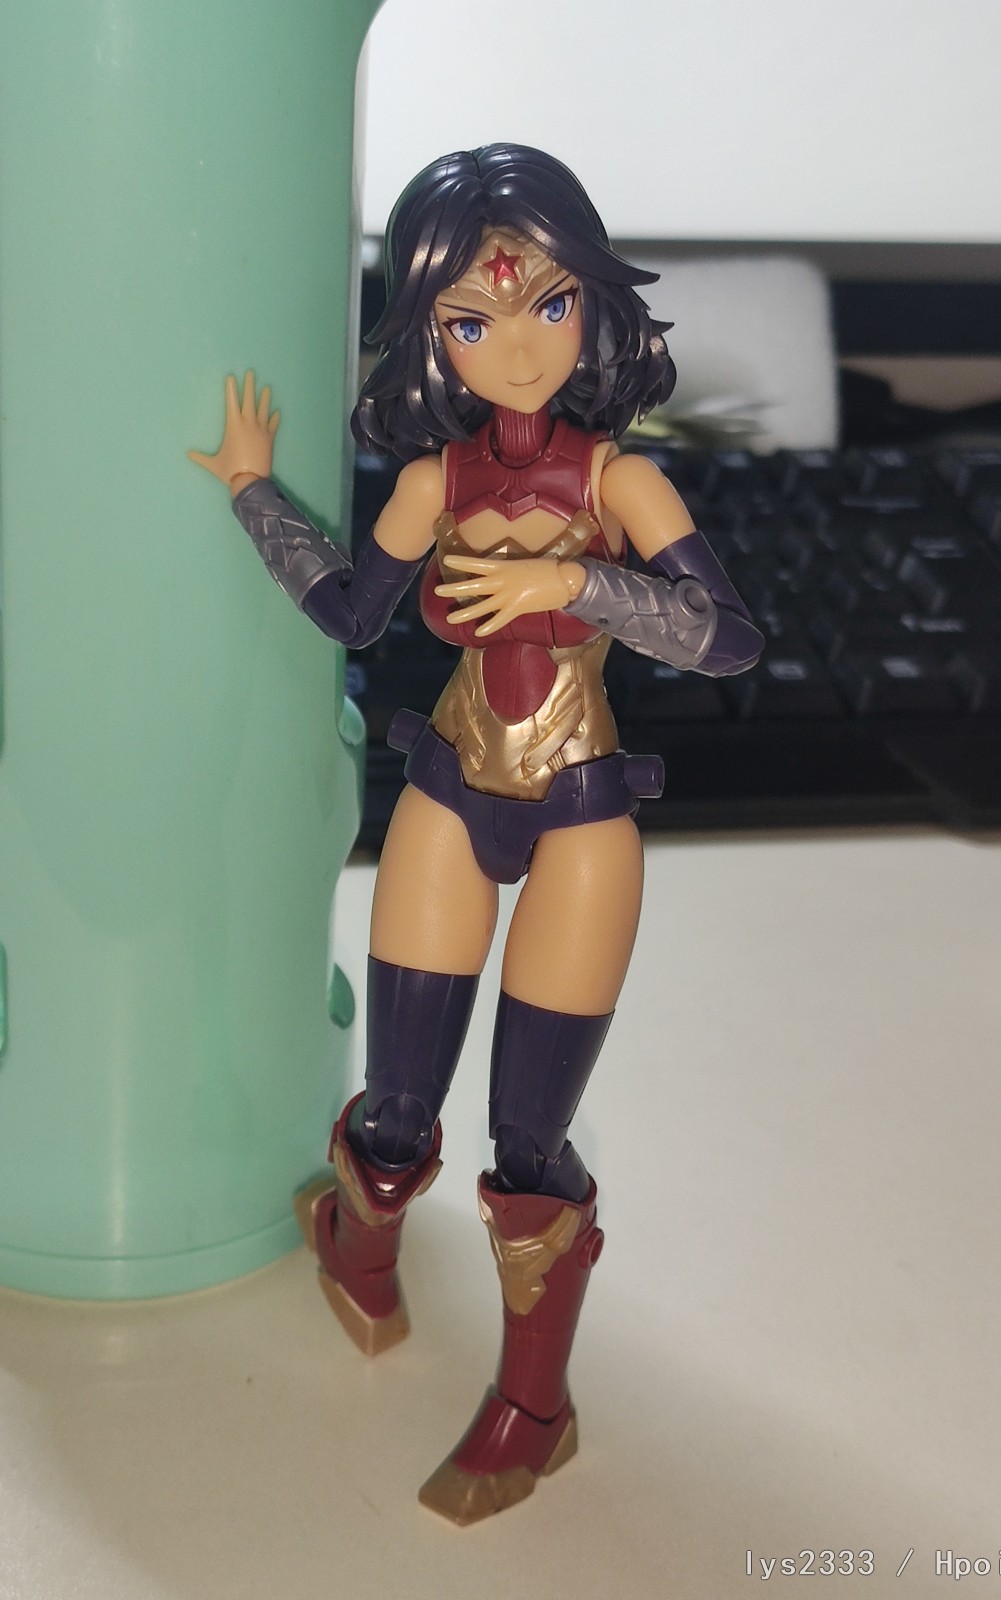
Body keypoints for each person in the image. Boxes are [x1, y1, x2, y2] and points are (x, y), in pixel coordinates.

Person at [190, 144, 762, 1526]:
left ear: (593, 305)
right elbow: (351, 613)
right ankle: (356, 1240)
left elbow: (731, 638)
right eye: (471, 320)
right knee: (398, 1106)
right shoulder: (433, 482)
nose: (517, 347)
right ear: (431, 337)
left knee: (528, 1145)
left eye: (548, 304)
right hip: (453, 789)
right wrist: (254, 493)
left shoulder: (622, 483)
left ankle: (537, 1407)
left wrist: (582, 583)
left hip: (580, 809)